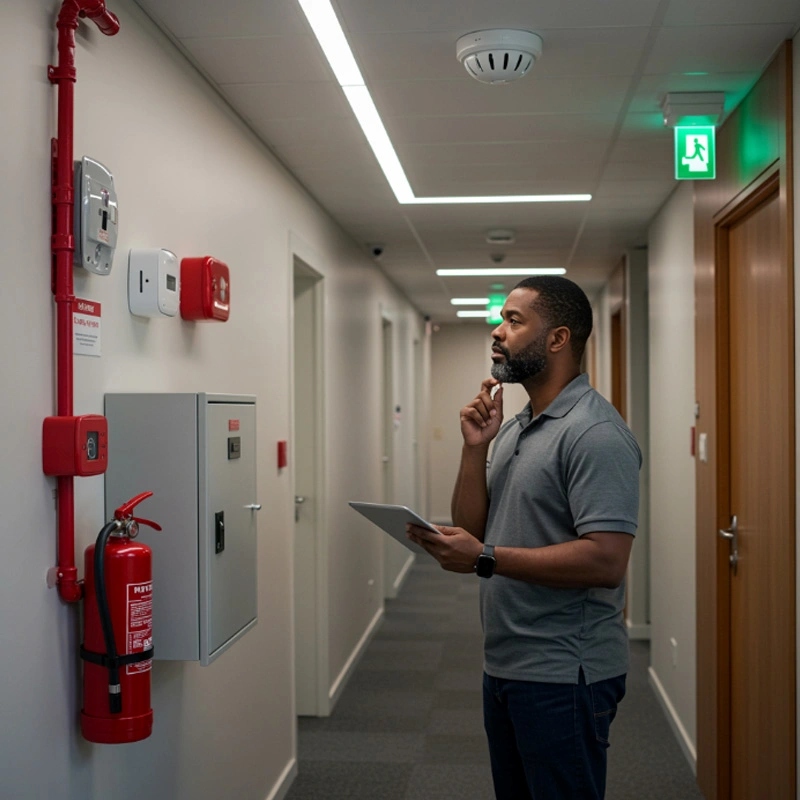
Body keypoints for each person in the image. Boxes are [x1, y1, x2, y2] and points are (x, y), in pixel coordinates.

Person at [407, 276, 641, 800]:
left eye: (514, 321)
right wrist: (474, 448)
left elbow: (607, 561)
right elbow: (473, 531)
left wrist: (486, 559)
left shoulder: (595, 434)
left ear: (557, 339)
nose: (498, 331)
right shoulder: (517, 425)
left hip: (565, 673)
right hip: (506, 661)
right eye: (502, 319)